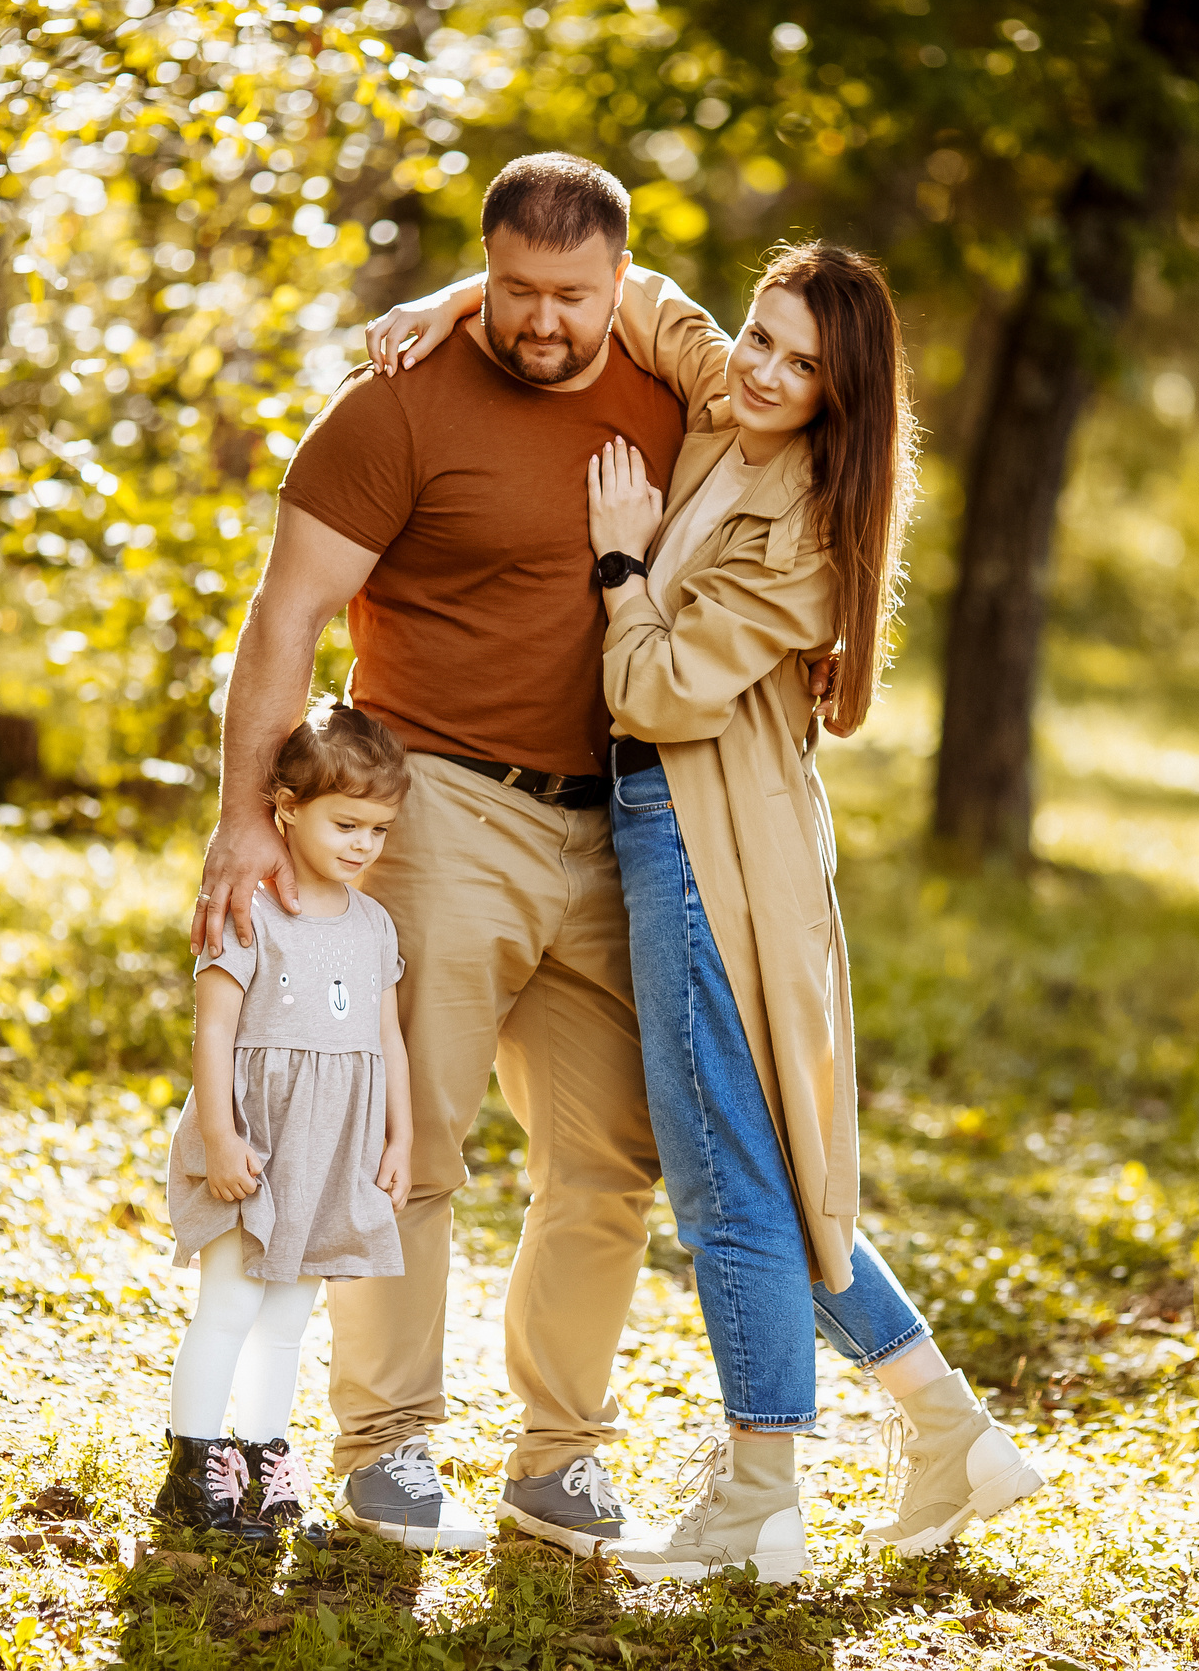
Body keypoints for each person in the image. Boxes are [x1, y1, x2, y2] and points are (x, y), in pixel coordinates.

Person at [365, 244, 1044, 1582]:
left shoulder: (809, 526)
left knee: (734, 1181)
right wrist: (449, 301)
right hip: (656, 829)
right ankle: (948, 1427)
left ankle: (760, 1498)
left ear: (843, 399)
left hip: (704, 845)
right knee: (769, 1165)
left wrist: (621, 564)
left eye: (802, 366)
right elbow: (614, 285)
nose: (765, 369)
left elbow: (662, 692)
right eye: (760, 335)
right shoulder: (723, 397)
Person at [187, 152, 732, 1555]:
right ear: (480, 267)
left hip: (618, 817)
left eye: (574, 296)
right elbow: (286, 615)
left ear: (624, 284)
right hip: (441, 802)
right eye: (512, 288)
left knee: (611, 1157)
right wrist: (248, 812)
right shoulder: (396, 403)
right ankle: (388, 1444)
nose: (542, 321)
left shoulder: (673, 385)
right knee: (406, 1136)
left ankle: (559, 1459)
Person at [155, 704, 415, 1544]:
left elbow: (387, 1041)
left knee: (289, 1320)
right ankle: (195, 1468)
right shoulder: (250, 909)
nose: (362, 844)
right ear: (286, 806)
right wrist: (223, 1138)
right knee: (229, 1302)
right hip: (257, 1139)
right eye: (346, 823)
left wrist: (398, 1138)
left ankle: (265, 1457)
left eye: (378, 828)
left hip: (331, 1152)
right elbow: (216, 1030)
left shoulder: (374, 924)